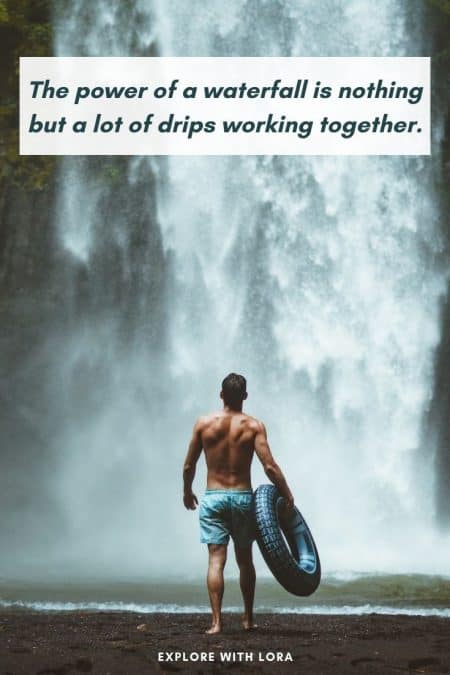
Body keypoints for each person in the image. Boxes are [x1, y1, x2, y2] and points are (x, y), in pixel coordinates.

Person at [183, 372, 294, 634]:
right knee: (245, 560)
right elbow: (270, 466)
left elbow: (189, 464)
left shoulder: (203, 423)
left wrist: (187, 492)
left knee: (215, 562)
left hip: (214, 497)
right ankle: (247, 618)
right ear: (245, 396)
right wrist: (287, 493)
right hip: (243, 498)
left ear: (221, 395)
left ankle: (216, 622)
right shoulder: (254, 426)